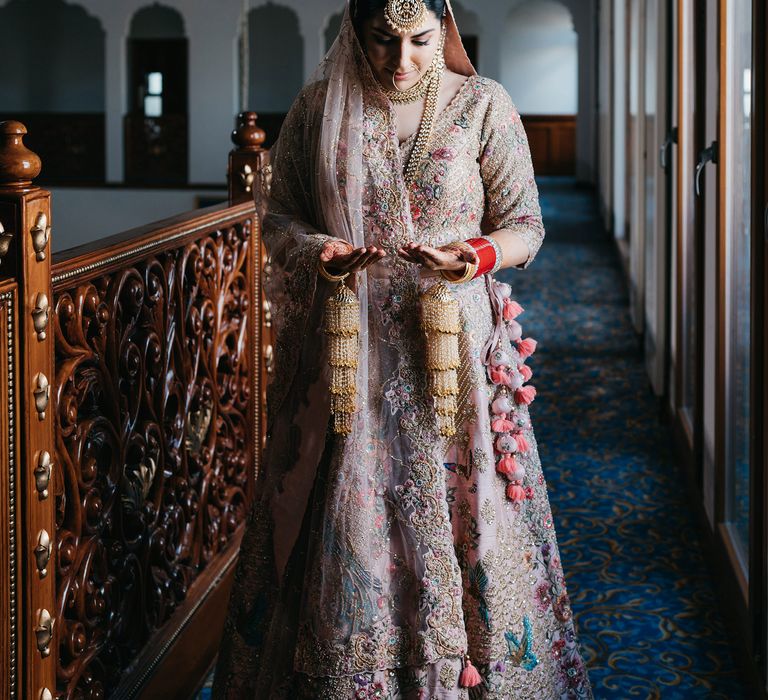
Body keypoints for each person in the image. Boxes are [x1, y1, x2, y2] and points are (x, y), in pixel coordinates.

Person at [212, 0, 593, 697]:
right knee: (342, 521)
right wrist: (315, 250)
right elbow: (279, 217)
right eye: (383, 41)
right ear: (355, 32)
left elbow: (526, 224)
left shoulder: (483, 104)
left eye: (419, 40)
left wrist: (474, 256)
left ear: (443, 28)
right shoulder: (323, 105)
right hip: (349, 360)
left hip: (451, 359)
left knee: (467, 520)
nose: (402, 60)